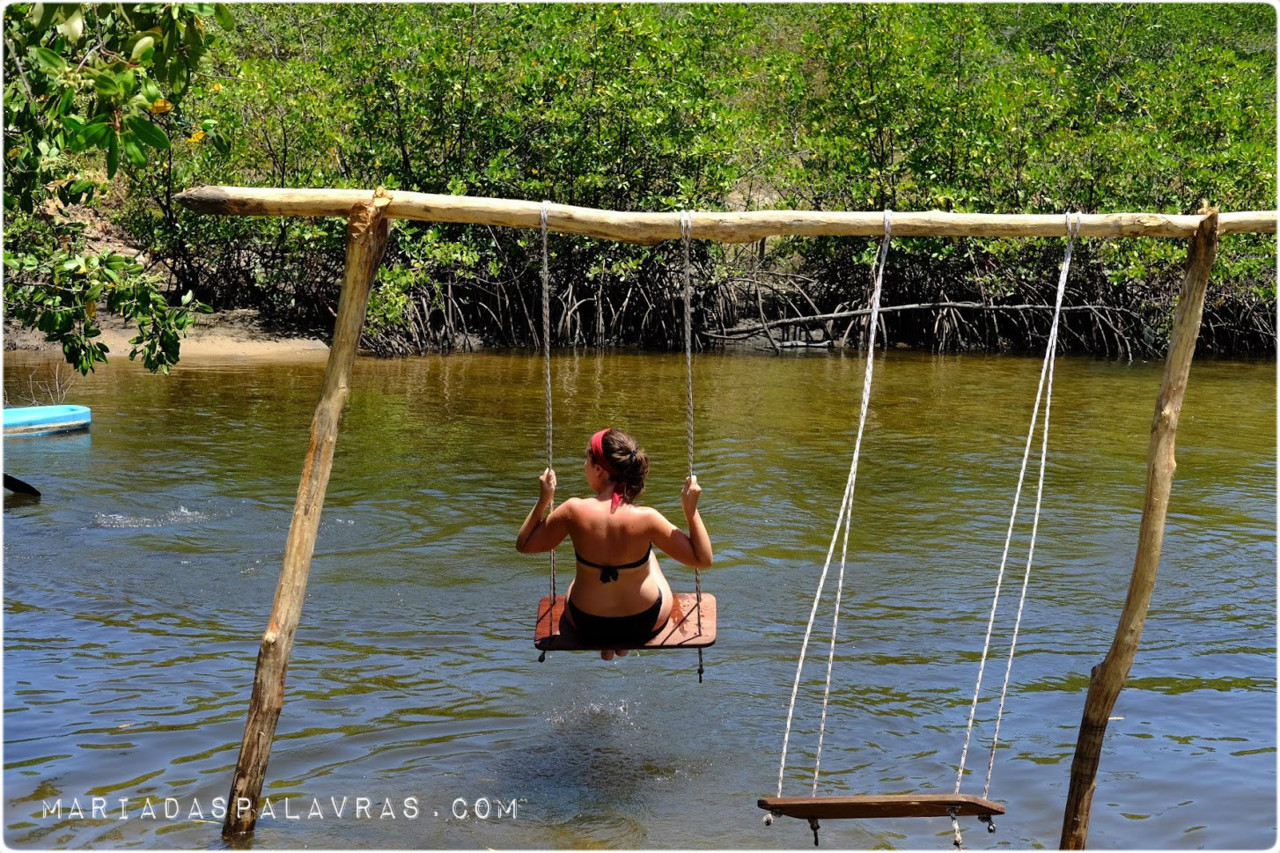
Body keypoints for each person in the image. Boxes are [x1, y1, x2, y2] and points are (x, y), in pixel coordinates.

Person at [516, 427, 713, 661]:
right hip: (643, 621)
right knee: (648, 558)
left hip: (587, 622)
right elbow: (703, 559)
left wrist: (543, 500)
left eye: (586, 460)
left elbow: (524, 544)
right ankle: (620, 644)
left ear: (599, 470)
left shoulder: (573, 510)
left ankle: (608, 646)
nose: (584, 467)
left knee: (587, 573)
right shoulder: (647, 518)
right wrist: (691, 512)